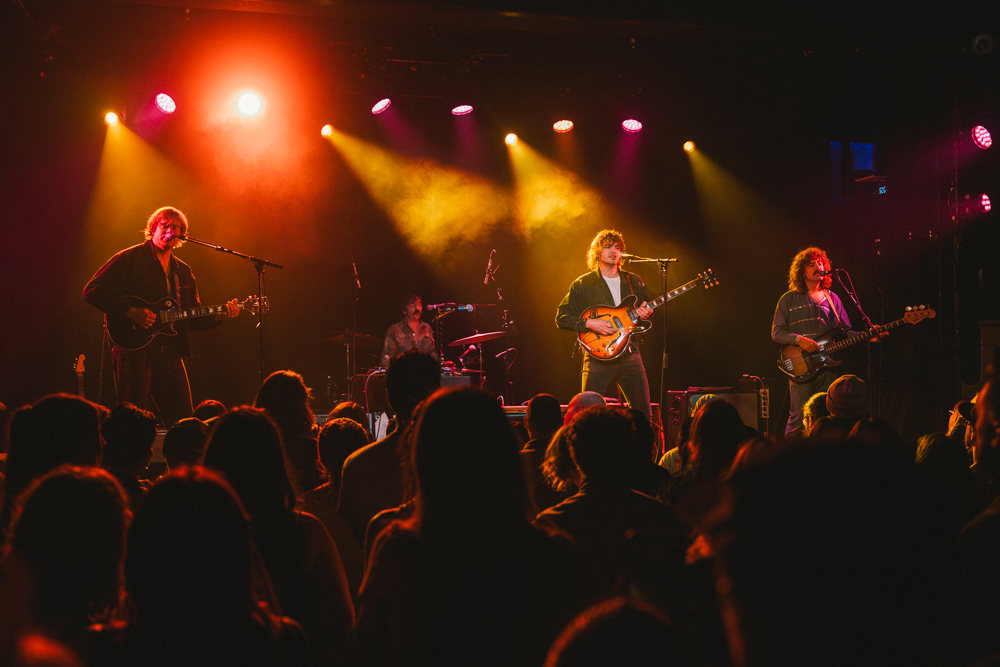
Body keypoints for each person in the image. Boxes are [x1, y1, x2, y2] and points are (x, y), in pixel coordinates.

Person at [83, 206, 240, 427]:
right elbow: (92, 290)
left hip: (170, 353)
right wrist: (130, 311)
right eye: (165, 225)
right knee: (132, 421)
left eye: (176, 228)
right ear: (153, 228)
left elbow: (191, 315)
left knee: (184, 421)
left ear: (181, 236)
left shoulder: (182, 271)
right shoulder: (129, 258)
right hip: (135, 350)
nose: (170, 231)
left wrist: (221, 313)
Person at [772, 247, 876, 437]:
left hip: (828, 367)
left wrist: (868, 335)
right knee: (798, 418)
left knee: (827, 418)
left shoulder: (833, 298)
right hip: (801, 367)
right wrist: (799, 340)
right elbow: (777, 332)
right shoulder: (788, 299)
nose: (818, 267)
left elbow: (846, 332)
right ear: (801, 271)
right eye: (811, 264)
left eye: (821, 263)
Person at [556, 230, 653, 420]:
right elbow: (562, 317)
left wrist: (645, 313)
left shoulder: (634, 281)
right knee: (586, 416)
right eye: (608, 246)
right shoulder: (583, 284)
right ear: (597, 252)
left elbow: (642, 315)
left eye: (617, 247)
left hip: (630, 355)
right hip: (597, 357)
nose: (613, 250)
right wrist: (589, 323)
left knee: (643, 415)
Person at [380, 294, 437, 368]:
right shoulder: (394, 330)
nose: (417, 308)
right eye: (412, 305)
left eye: (419, 305)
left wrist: (440, 361)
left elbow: (432, 353)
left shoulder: (427, 328)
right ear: (404, 310)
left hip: (424, 375)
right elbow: (385, 359)